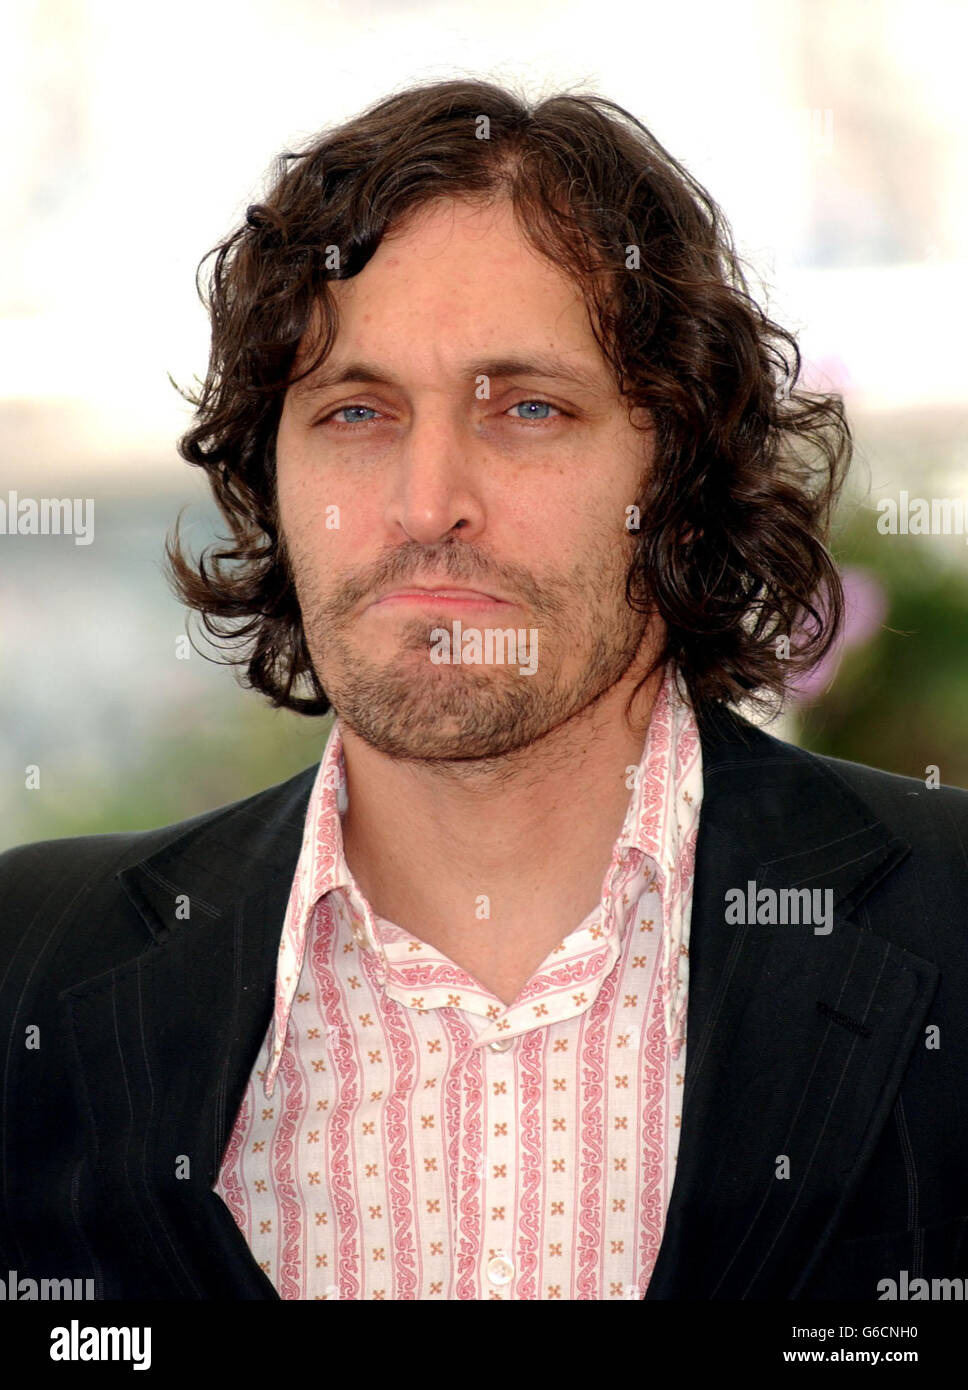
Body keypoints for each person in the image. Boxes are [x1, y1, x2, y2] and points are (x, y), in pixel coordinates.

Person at [1, 78, 965, 1303]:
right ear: (271, 475)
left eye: (525, 408)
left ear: (677, 470)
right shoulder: (33, 968)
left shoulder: (945, 923)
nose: (425, 500)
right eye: (355, 410)